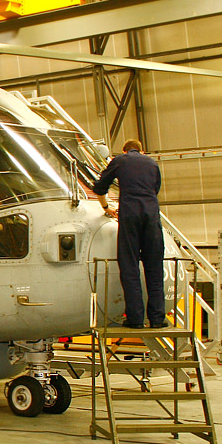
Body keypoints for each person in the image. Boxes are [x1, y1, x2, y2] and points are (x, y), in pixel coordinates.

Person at [92, 139, 166, 328]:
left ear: (124, 151)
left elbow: (100, 187)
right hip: (151, 215)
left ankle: (135, 319)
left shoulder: (119, 161)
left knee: (130, 267)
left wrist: (106, 207)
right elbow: (155, 189)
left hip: (130, 215)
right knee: (155, 268)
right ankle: (157, 319)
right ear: (141, 151)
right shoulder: (152, 163)